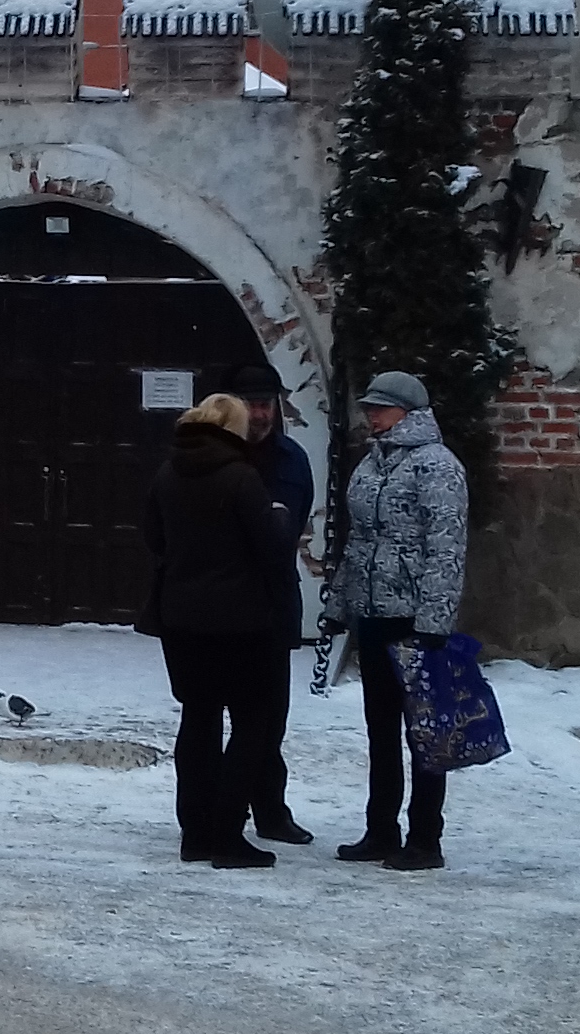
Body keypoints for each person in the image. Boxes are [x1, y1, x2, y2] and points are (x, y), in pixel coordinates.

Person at [140, 392, 300, 869]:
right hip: (238, 620)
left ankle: (196, 832)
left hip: (181, 619)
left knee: (198, 719)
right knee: (253, 724)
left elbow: (153, 537)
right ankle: (228, 834)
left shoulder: (168, 472)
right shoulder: (240, 476)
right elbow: (270, 547)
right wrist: (278, 519)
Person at [325, 369, 470, 872]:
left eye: (381, 408)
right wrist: (338, 603)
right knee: (379, 729)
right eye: (370, 407)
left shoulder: (437, 467)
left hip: (414, 619)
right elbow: (358, 540)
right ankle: (380, 829)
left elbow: (446, 548)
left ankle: (425, 838)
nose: (372, 415)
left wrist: (435, 619)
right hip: (374, 613)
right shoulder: (371, 464)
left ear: (409, 412)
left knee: (425, 733)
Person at [228, 362, 312, 846]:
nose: (261, 414)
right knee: (224, 714)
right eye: (252, 405)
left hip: (272, 603)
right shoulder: (217, 457)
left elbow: (288, 529)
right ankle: (226, 809)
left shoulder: (290, 459)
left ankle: (270, 810)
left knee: (269, 715)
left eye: (267, 404)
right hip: (222, 606)